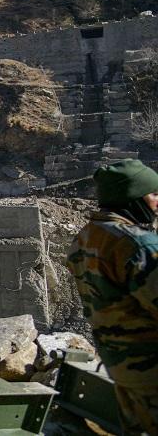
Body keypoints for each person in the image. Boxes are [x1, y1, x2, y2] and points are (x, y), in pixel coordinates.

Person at [67, 159, 158, 435]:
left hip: (120, 364)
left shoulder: (88, 236)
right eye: (153, 194)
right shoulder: (137, 245)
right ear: (132, 198)